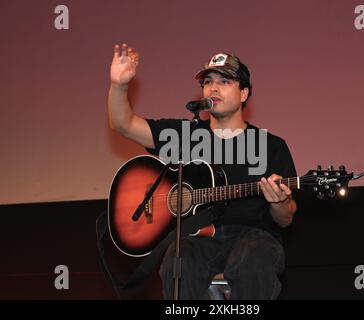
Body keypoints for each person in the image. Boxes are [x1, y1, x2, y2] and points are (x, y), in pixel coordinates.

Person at [108, 43, 297, 300]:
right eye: (208, 82)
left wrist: (280, 201)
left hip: (254, 237)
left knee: (252, 258)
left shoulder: (270, 146)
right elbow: (124, 124)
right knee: (178, 260)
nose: (213, 87)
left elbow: (285, 218)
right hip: (199, 238)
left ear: (243, 93)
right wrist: (119, 85)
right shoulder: (186, 136)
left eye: (225, 81)